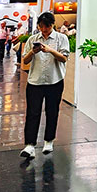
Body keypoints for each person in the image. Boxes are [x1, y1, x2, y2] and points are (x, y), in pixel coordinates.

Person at [20, 12, 71, 159]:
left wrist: (50, 50)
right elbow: (25, 60)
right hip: (35, 81)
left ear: (52, 25)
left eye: (47, 27)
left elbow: (64, 58)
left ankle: (49, 141)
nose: (44, 30)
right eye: (41, 26)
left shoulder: (61, 38)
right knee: (32, 113)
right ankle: (30, 145)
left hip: (54, 81)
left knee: (52, 111)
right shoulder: (33, 39)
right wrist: (33, 52)